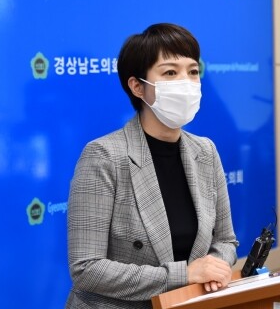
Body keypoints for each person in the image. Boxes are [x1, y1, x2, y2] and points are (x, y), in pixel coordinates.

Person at [65, 23, 239, 309]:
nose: (186, 82)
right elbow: (87, 268)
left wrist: (215, 267)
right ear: (137, 87)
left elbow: (225, 241)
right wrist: (186, 274)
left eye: (193, 71)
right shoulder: (104, 155)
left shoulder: (205, 151)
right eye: (170, 73)